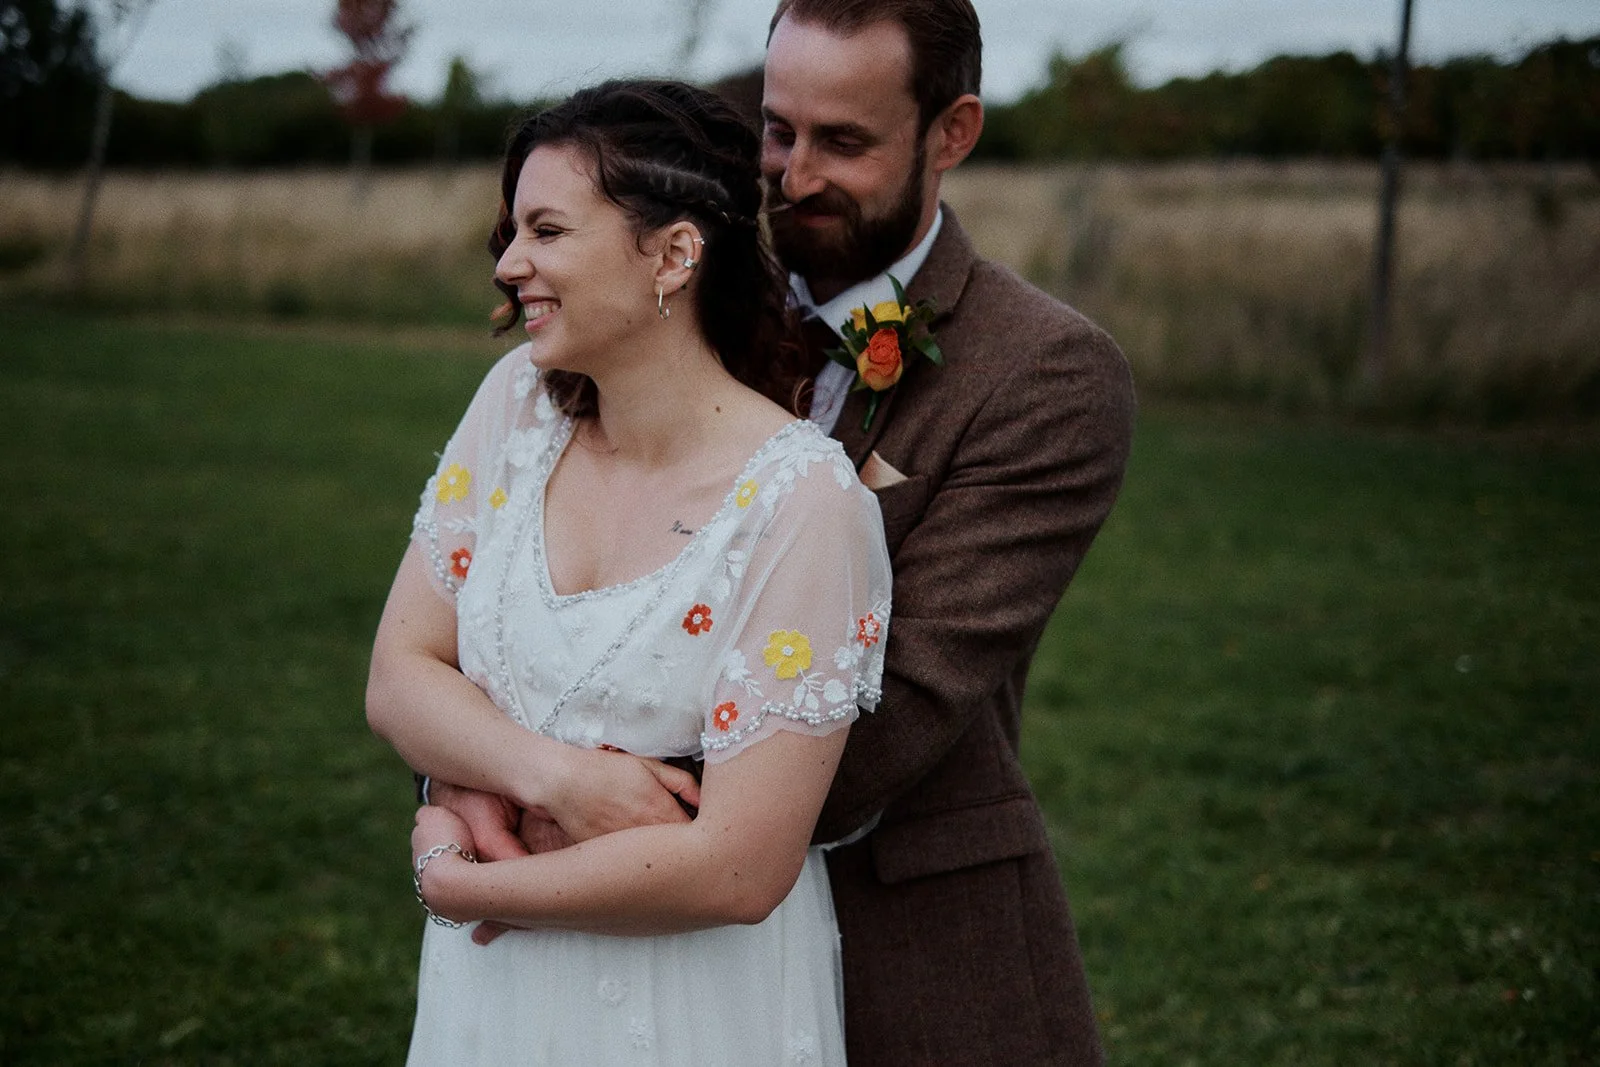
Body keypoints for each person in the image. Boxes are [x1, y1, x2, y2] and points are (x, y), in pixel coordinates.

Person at [429, 0, 1136, 1061]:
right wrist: (495, 764)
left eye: (843, 142)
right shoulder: (677, 287)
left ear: (951, 133)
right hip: (611, 931)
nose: (793, 176)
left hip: (906, 923)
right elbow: (512, 598)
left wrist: (567, 809)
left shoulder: (1045, 372)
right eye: (777, 129)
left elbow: (907, 692)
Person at [366, 79, 891, 1065]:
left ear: (675, 253)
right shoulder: (515, 406)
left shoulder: (803, 503)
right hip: (495, 998)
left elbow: (739, 867)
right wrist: (559, 778)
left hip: (693, 1005)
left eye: (549, 230)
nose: (511, 263)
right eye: (513, 231)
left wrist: (464, 882)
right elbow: (399, 670)